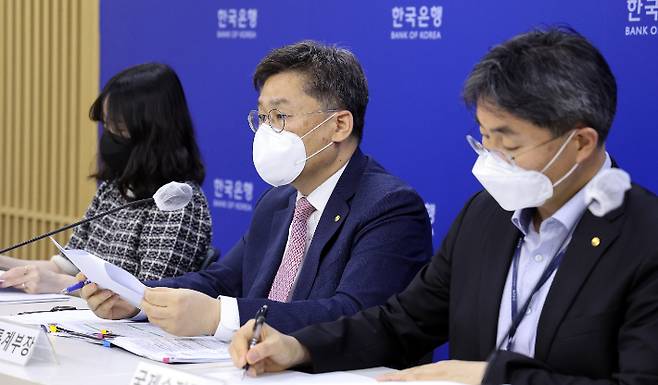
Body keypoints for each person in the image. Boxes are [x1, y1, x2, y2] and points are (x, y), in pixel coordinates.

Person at [228, 28, 658, 385]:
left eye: (507, 142)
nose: (490, 158)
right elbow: (403, 320)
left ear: (580, 143)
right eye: (484, 136)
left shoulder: (644, 238)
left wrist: (494, 377)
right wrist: (301, 346)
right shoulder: (486, 215)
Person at [79, 41, 433, 339]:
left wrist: (221, 317)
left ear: (339, 125)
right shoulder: (278, 201)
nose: (266, 131)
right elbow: (224, 278)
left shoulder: (389, 207)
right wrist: (138, 296)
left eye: (280, 116)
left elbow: (353, 315)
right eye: (262, 117)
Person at [0, 63, 212, 294]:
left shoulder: (178, 203)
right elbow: (67, 265)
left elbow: (147, 295)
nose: (109, 137)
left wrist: (60, 285)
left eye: (118, 129)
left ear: (153, 133)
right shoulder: (115, 188)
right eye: (107, 126)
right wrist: (6, 264)